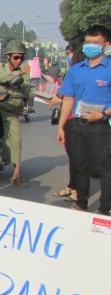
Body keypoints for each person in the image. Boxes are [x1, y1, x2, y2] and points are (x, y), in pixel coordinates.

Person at [56, 24, 111, 216]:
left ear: (106, 45)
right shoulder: (76, 70)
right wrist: (61, 126)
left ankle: (105, 207)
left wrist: (104, 114)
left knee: (104, 167)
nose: (90, 46)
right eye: (88, 42)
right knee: (79, 165)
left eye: (95, 43)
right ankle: (81, 203)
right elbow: (69, 99)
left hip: (101, 126)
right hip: (77, 126)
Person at [48, 37, 85, 202]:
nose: (69, 55)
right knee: (73, 156)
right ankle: (72, 186)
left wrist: (60, 101)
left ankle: (80, 191)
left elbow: (78, 98)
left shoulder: (82, 72)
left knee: (79, 157)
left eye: (70, 52)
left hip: (78, 118)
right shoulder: (75, 70)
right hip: (69, 119)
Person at [0, 40, 31, 187]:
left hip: (10, 110)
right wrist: (18, 73)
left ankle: (17, 174)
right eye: (16, 57)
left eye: (21, 58)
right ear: (8, 57)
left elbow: (28, 89)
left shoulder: (25, 74)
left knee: (15, 139)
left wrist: (41, 93)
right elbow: (0, 78)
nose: (19, 60)